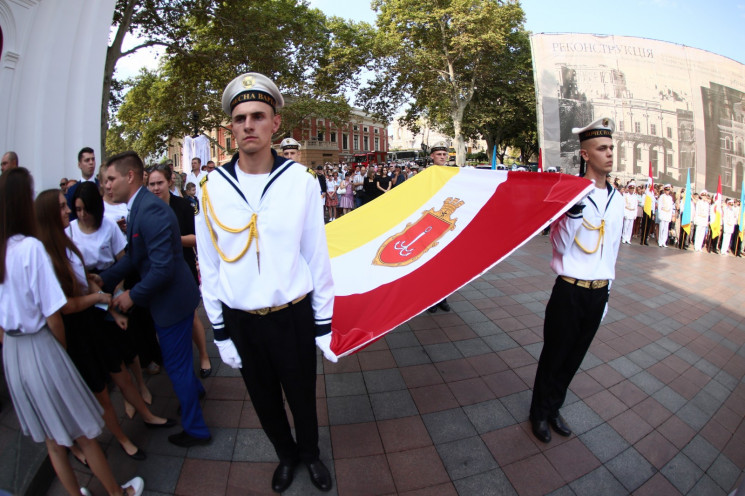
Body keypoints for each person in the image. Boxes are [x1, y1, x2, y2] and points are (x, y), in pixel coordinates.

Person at [195, 72, 336, 493]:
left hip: (291, 316)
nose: (248, 125)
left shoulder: (301, 182)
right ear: (231, 128)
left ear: (275, 123)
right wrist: (219, 331)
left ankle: (310, 454)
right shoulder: (210, 187)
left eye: (258, 116)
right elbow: (210, 266)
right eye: (240, 119)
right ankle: (286, 456)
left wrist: (324, 323)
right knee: (264, 401)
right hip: (243, 320)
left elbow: (316, 255)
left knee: (301, 397)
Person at [0, 168, 144, 496]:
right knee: (82, 431)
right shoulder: (31, 249)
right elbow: (55, 315)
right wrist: (58, 354)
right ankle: (116, 493)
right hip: (39, 347)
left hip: (12, 351)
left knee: (53, 440)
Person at [37, 186, 175, 461]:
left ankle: (147, 415)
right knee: (100, 390)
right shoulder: (46, 254)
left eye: (72, 207)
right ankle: (123, 440)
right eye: (65, 207)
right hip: (76, 330)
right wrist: (99, 297)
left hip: (93, 318)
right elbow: (66, 305)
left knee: (121, 371)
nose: (70, 212)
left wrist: (107, 305)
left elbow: (84, 280)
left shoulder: (66, 242)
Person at [98, 151, 210, 448]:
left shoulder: (149, 210)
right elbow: (136, 255)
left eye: (111, 179)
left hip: (172, 302)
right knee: (181, 363)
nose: (106, 186)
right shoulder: (140, 206)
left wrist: (131, 296)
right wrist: (106, 280)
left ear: (130, 176)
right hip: (173, 298)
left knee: (176, 366)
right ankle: (194, 391)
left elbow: (161, 268)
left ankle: (196, 430)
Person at [529, 117, 623, 444]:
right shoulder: (570, 193)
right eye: (602, 148)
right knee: (554, 356)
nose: (610, 154)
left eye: (611, 147)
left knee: (574, 359)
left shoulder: (618, 198)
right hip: (569, 289)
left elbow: (611, 252)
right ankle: (539, 413)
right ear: (585, 155)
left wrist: (607, 294)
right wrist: (573, 212)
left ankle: (554, 408)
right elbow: (560, 245)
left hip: (596, 293)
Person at [146, 163, 212, 377]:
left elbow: (197, 239)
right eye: (151, 184)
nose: (155, 188)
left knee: (190, 315)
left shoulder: (183, 206)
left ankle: (203, 355)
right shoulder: (144, 209)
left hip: (183, 267)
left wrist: (171, 238)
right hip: (156, 270)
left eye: (159, 183)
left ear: (169, 182)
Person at [427, 141, 452, 313]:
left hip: (447, 222)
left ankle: (443, 297)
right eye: (439, 154)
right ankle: (430, 300)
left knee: (445, 264)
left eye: (444, 154)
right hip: (429, 223)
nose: (442, 157)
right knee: (430, 264)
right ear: (432, 156)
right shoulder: (426, 174)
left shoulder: (454, 173)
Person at [65, 147, 99, 221]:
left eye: (93, 159)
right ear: (79, 165)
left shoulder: (102, 187)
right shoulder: (72, 191)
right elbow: (71, 217)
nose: (91, 163)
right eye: (87, 160)